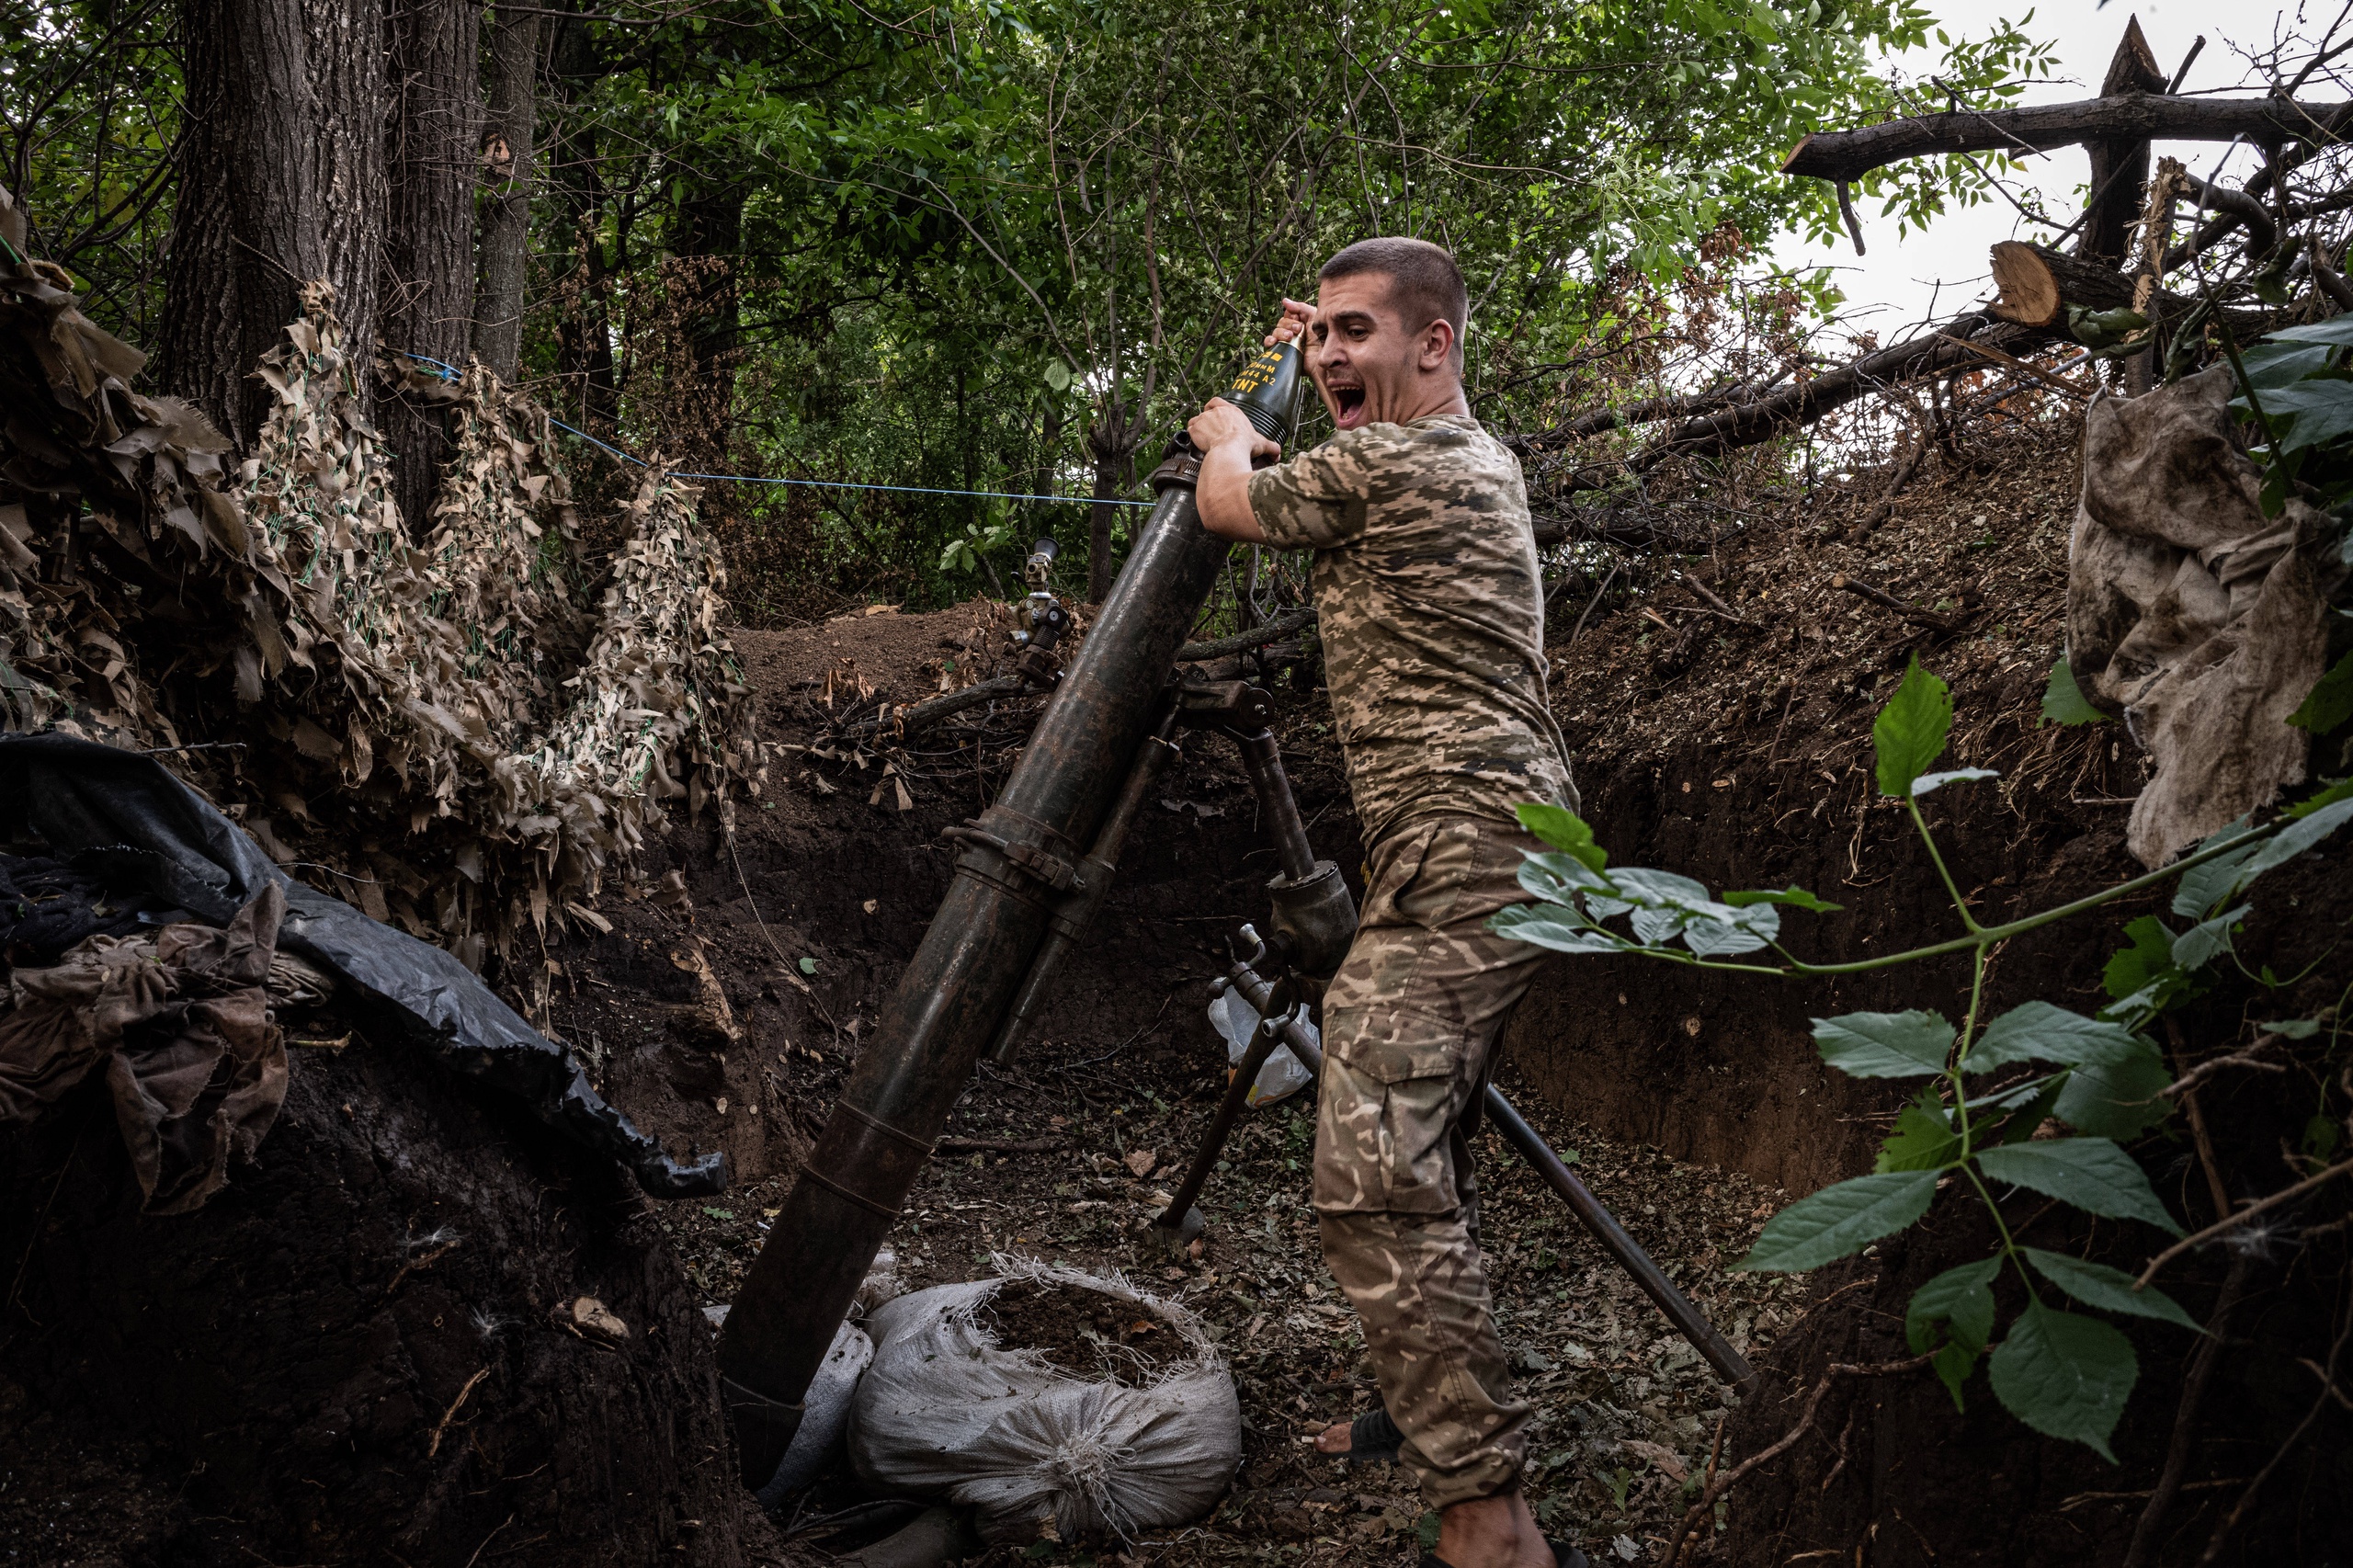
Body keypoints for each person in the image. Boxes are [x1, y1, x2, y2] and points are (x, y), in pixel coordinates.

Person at [1185, 238, 1583, 1568]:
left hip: (1467, 843)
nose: (1334, 355)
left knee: (1368, 1170)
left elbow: (1229, 504)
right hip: (1492, 836)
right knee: (1430, 1129)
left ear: (1438, 346)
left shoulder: (1401, 462)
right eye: (1321, 339)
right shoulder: (1469, 461)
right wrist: (1298, 361)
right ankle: (1409, 1416)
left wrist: (1233, 426)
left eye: (1361, 331)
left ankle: (1489, 1520)